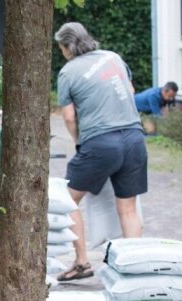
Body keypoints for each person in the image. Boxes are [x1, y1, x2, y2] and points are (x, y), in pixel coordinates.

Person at [52, 22, 147, 281]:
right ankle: (134, 268)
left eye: (61, 47)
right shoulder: (112, 57)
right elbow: (130, 92)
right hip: (135, 139)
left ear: (67, 46)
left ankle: (82, 262)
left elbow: (70, 116)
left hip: (100, 142)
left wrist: (79, 142)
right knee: (127, 207)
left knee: (67, 199)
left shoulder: (68, 71)